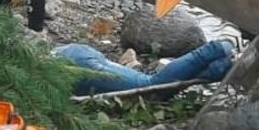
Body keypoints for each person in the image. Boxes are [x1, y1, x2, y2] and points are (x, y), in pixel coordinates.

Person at [53, 39, 236, 96]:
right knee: (152, 89)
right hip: (72, 54)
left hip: (72, 66)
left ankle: (215, 50)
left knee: (150, 88)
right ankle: (222, 68)